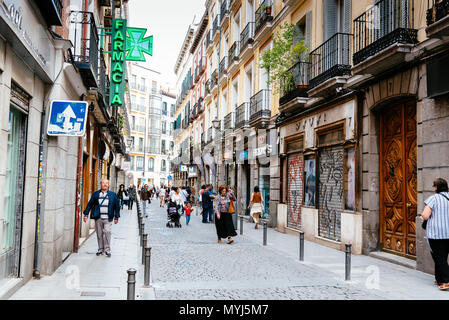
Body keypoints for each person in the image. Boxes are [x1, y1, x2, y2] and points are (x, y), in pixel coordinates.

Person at [421, 178, 449, 290]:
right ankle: (439, 279)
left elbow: (425, 215)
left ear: (436, 187)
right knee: (443, 256)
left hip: (436, 234)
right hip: (448, 233)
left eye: (434, 186)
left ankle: (446, 281)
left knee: (438, 257)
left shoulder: (433, 198)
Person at [83, 179, 120, 257]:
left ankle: (107, 250)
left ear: (108, 185)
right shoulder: (96, 194)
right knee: (99, 234)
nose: (105, 184)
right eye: (103, 183)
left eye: (106, 183)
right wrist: (86, 214)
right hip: (98, 218)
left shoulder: (113, 195)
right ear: (101, 184)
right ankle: (100, 249)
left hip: (108, 217)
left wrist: (116, 217)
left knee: (107, 232)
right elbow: (90, 204)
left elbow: (117, 207)